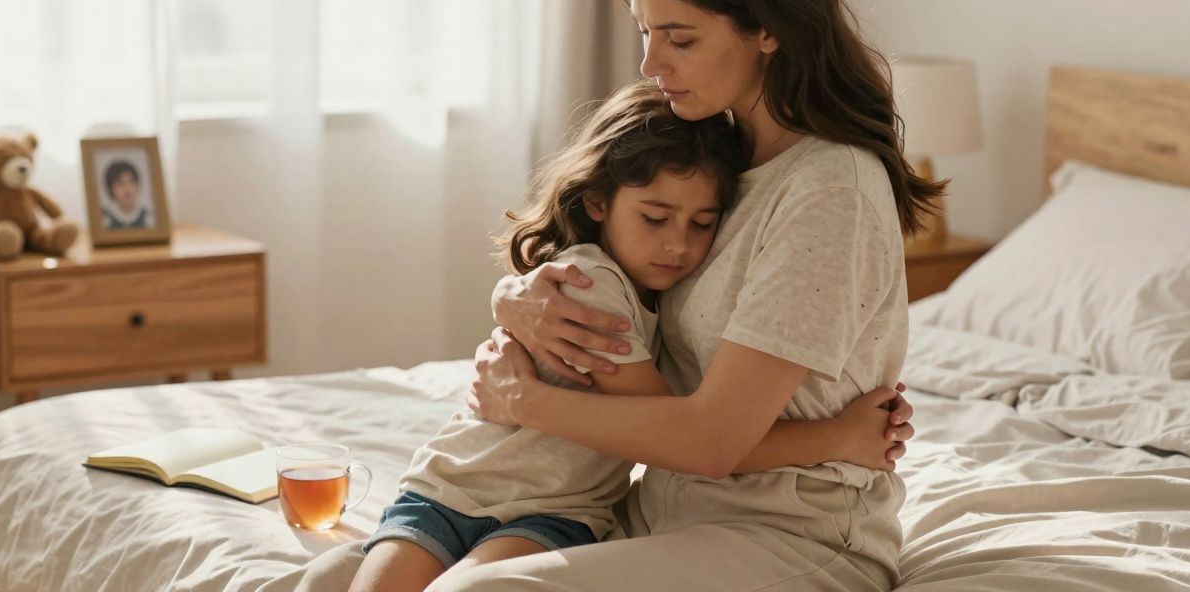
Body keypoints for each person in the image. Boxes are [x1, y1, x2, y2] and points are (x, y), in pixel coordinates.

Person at [435, 0, 936, 591]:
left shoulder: (831, 189)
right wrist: (515, 298)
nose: (650, 65)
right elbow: (602, 257)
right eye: (646, 32)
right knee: (339, 578)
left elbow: (709, 439)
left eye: (680, 38)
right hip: (657, 514)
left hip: (790, 538)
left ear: (769, 27)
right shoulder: (715, 159)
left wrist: (522, 400)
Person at [347, 82, 911, 592]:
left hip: (556, 513)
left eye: (701, 223)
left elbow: (701, 436)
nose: (677, 246)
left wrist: (516, 341)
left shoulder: (667, 285)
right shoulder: (590, 289)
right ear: (598, 201)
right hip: (452, 491)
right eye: (655, 218)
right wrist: (834, 438)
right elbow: (677, 424)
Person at [101, 159, 152, 229]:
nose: (127, 188)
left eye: (131, 182)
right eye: (120, 184)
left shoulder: (148, 216)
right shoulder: (104, 217)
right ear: (111, 188)